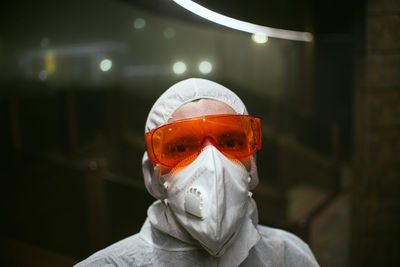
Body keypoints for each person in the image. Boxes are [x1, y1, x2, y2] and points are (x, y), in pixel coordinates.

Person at [75, 78, 319, 267]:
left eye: (231, 143)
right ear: (154, 175)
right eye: (181, 147)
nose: (212, 164)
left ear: (252, 165)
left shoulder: (288, 255)